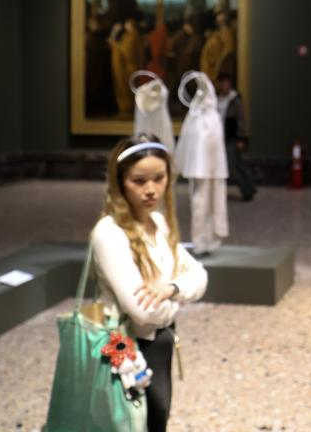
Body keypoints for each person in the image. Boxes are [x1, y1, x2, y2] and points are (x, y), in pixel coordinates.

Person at [90, 134, 208, 432]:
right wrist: (176, 303)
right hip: (127, 347)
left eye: (159, 178)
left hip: (159, 342)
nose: (151, 189)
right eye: (139, 181)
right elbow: (143, 311)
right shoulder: (110, 232)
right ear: (120, 182)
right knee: (128, 423)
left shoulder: (158, 223)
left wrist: (171, 289)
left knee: (156, 419)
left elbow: (199, 276)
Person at [216, 72, 256, 201]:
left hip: (232, 137)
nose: (224, 85)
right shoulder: (217, 99)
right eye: (222, 83)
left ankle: (248, 189)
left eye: (226, 83)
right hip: (219, 137)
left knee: (233, 165)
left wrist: (241, 138)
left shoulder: (235, 100)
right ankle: (249, 188)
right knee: (235, 164)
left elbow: (241, 119)